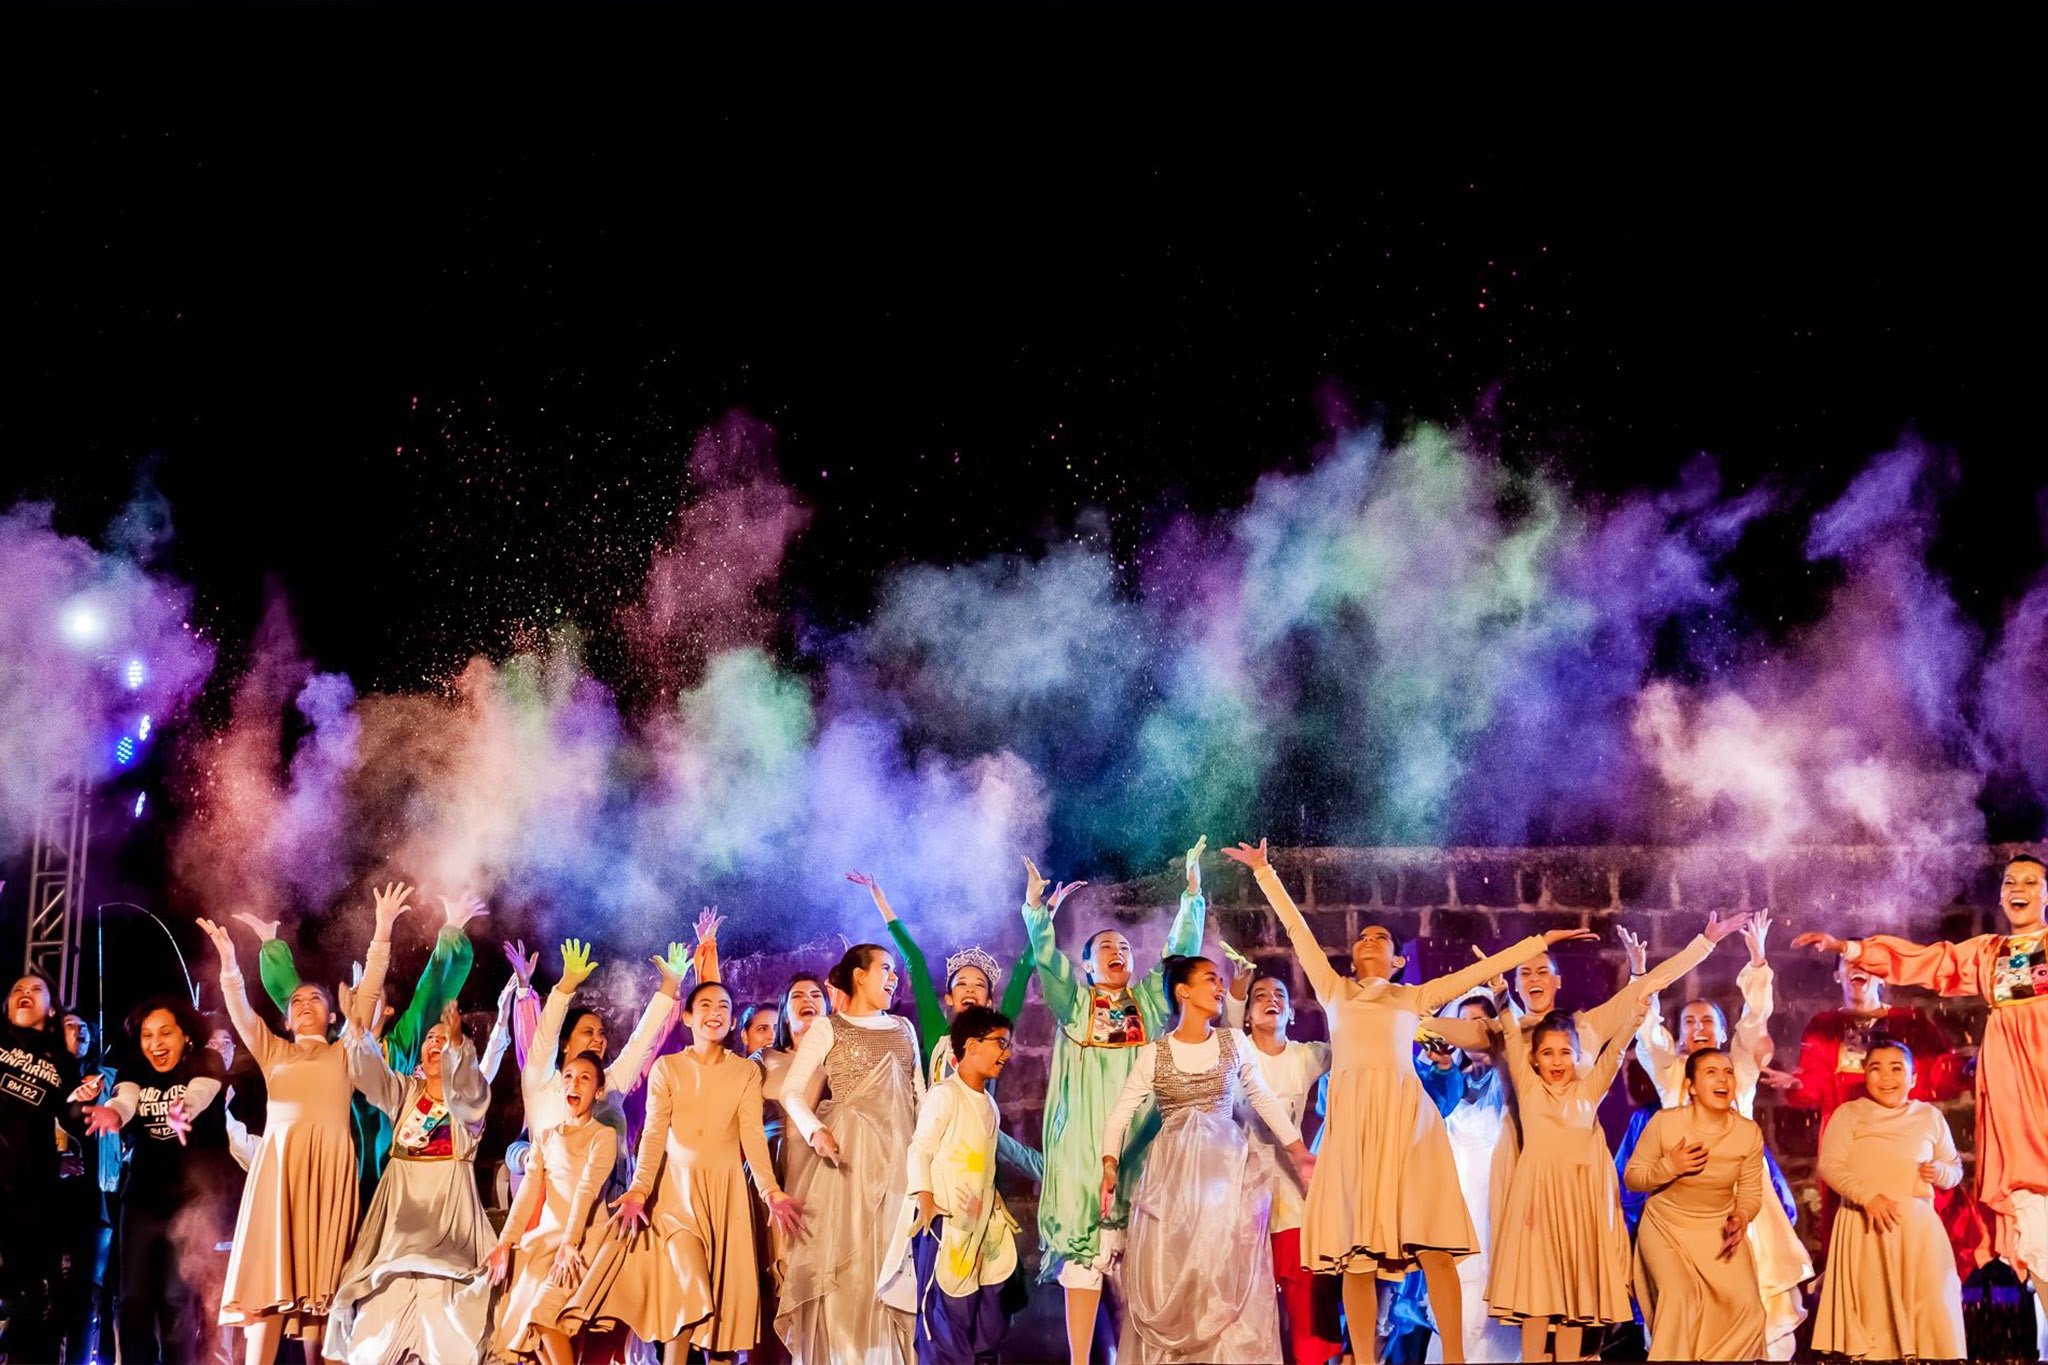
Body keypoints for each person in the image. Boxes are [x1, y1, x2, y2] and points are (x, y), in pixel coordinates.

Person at [1227, 838, 1594, 1365]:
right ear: (1353, 956)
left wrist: (1543, 936)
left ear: (1399, 961)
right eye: (1364, 937)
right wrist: (1265, 871)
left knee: (1433, 1243)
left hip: (1406, 1122)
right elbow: (1297, 931)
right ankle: (1366, 1356)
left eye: (1382, 938)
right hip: (1354, 1126)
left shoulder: (1412, 997)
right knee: (1355, 1257)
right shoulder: (1334, 990)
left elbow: (1475, 975)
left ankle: (1455, 1359)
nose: (1370, 941)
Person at [1795, 849, 2048, 1357]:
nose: (2017, 888)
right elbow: (1932, 962)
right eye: (2008, 880)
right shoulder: (1990, 952)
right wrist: (1852, 947)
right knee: (2034, 1226)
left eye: (2030, 880)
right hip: (2014, 1091)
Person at [1027, 839, 1205, 1365]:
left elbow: (1178, 955)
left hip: (1142, 1142)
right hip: (1085, 1147)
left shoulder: (1149, 1001)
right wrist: (1039, 914)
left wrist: (1191, 896)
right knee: (1084, 1263)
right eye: (1105, 947)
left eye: (1124, 947)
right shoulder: (1076, 1003)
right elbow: (1046, 962)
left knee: (1141, 1265)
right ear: (1086, 965)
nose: (1118, 953)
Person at [560, 980, 803, 1362]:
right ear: (688, 1016)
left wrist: (770, 1191)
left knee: (722, 1328)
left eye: (724, 1006)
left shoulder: (745, 1073)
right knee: (689, 1290)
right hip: (676, 1198)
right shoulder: (667, 1068)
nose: (715, 1012)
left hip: (726, 1199)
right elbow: (654, 1134)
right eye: (705, 1005)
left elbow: (753, 1138)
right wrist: (640, 1190)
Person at [1101, 954, 1314, 1363]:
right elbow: (1120, 1113)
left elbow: (1263, 1100)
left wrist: (1299, 1153)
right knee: (1179, 1276)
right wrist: (1110, 1163)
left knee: (1226, 1275)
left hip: (1224, 1174)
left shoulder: (1232, 1043)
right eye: (1211, 979)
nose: (1221, 987)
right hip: (1173, 1182)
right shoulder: (1156, 1053)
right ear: (1184, 991)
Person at [1630, 911, 1811, 1358]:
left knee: (1754, 1290)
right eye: (1689, 1023)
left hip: (1739, 1197)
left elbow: (1755, 1021)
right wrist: (1638, 974)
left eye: (1707, 1021)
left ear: (1722, 1031)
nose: (1699, 1029)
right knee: (1688, 1295)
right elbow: (1645, 1031)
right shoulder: (1672, 1076)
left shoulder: (1737, 1070)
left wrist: (1758, 962)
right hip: (1683, 1201)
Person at [197, 914, 360, 1365]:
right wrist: (230, 960)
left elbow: (366, 1000)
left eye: (316, 999)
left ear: (332, 1016)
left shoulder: (346, 1051)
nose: (304, 1002)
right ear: (286, 1020)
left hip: (328, 1171)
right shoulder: (275, 1051)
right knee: (271, 1279)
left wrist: (382, 930)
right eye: (296, 1000)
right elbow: (241, 1010)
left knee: (324, 1290)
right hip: (279, 1171)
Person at [1760, 949, 1971, 1265]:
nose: (1858, 968)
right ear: (1838, 975)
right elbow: (1815, 1082)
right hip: (1850, 1136)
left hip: (1904, 1136)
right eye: (1849, 962)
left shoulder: (1909, 1020)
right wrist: (1796, 1084)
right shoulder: (1825, 1025)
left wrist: (1970, 1068)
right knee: (1854, 1225)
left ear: (1882, 973)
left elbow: (1937, 1070)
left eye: (1867, 962)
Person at [321, 999, 494, 1365]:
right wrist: (358, 1032)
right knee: (374, 1330)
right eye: (430, 1038)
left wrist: (459, 1043)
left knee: (446, 1330)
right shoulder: (405, 1093)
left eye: (444, 1039)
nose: (435, 1043)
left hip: (447, 1230)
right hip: (398, 1230)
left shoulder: (467, 1104)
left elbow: (470, 1088)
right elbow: (372, 1076)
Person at [776, 943, 925, 1363]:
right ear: (860, 976)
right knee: (849, 1273)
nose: (893, 978)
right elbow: (791, 1090)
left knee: (889, 1269)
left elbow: (920, 1096)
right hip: (848, 1163)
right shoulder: (829, 1027)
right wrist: (815, 1130)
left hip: (897, 1163)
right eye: (886, 968)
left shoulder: (903, 1029)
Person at [851, 869, 1045, 1179]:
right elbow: (913, 957)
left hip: (978, 1134)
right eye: (962, 984)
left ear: (990, 1003)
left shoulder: (996, 1031)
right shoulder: (935, 1031)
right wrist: (879, 898)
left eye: (979, 985)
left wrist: (1040, 912)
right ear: (949, 999)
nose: (970, 989)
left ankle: (1067, 1182)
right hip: (936, 1135)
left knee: (1022, 1167)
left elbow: (1023, 971)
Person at [81, 994, 237, 1365]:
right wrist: (115, 1115)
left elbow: (202, 1090)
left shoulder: (206, 1060)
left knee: (174, 1297)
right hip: (142, 1199)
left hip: (192, 1202)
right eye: (147, 1035)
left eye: (165, 1032)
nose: (155, 1043)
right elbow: (126, 1099)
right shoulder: (136, 1066)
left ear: (186, 1036)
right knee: (132, 1298)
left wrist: (185, 1109)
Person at [1486, 1010, 1639, 1363]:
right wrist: (1501, 1000)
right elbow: (1510, 1036)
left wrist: (1633, 1018)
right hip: (1536, 1209)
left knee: (1575, 1301)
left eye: (1565, 1052)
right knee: (1538, 1299)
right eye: (1548, 1053)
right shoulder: (1528, 1089)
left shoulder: (1588, 1091)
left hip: (1577, 1211)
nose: (1557, 1061)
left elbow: (1615, 1054)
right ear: (1534, 1060)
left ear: (1576, 1056)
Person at [877, 1005, 1024, 1364]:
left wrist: (996, 1201)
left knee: (987, 1310)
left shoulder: (989, 1103)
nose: (1006, 1052)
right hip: (945, 1222)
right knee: (947, 1313)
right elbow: (920, 1148)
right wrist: (925, 1199)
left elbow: (985, 1161)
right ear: (972, 1047)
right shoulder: (945, 1095)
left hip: (979, 1226)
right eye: (999, 1043)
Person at [1808, 1038, 1967, 1359]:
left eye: (1896, 1069)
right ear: (1864, 1075)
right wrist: (1867, 1197)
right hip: (1866, 1225)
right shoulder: (1849, 1114)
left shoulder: (1929, 1116)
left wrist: (1940, 1172)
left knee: (1930, 1305)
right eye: (1876, 1069)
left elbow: (1955, 1168)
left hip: (1917, 1229)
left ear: (1913, 1078)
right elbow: (1830, 1165)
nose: (1887, 1078)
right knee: (1874, 1316)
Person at [1221, 958, 1344, 1365]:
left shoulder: (1304, 1057)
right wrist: (1238, 990)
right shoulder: (1234, 1058)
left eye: (1280, 996)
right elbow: (1225, 1029)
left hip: (1292, 1196)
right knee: (1246, 1308)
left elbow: (1353, 1047)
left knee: (1304, 1300)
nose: (1271, 1001)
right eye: (1261, 997)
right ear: (1249, 1014)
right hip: (1241, 1197)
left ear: (1291, 1012)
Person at [1621, 1048, 1767, 1361]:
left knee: (1749, 1307)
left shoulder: (1747, 1133)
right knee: (1679, 1297)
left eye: (1728, 1071)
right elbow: (1633, 1178)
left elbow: (1751, 1193)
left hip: (1716, 1231)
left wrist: (1741, 1217)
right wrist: (1670, 1166)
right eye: (1711, 1072)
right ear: (1691, 1086)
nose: (1723, 1079)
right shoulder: (1666, 1123)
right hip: (1665, 1228)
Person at [488, 1052, 619, 1365]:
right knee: (531, 1325)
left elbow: (587, 1188)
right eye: (569, 1077)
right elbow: (528, 1193)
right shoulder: (546, 1137)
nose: (574, 1083)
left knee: (543, 1312)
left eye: (584, 1078)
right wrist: (505, 1241)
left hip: (582, 1240)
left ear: (599, 1091)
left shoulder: (603, 1136)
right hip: (546, 1240)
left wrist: (571, 1243)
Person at [1412, 992, 1519, 1363]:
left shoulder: (1511, 1079)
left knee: (1492, 1307)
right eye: (1462, 1023)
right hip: (1452, 1198)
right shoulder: (1444, 1079)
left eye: (1477, 1023)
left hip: (1496, 1201)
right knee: (1454, 1298)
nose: (1468, 1032)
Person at [0, 968, 84, 1363]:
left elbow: (71, 1117)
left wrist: (86, 1100)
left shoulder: (61, 1062)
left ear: (52, 1011)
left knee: (30, 1296)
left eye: (36, 989)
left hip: (31, 1189)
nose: (25, 992)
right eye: (18, 989)